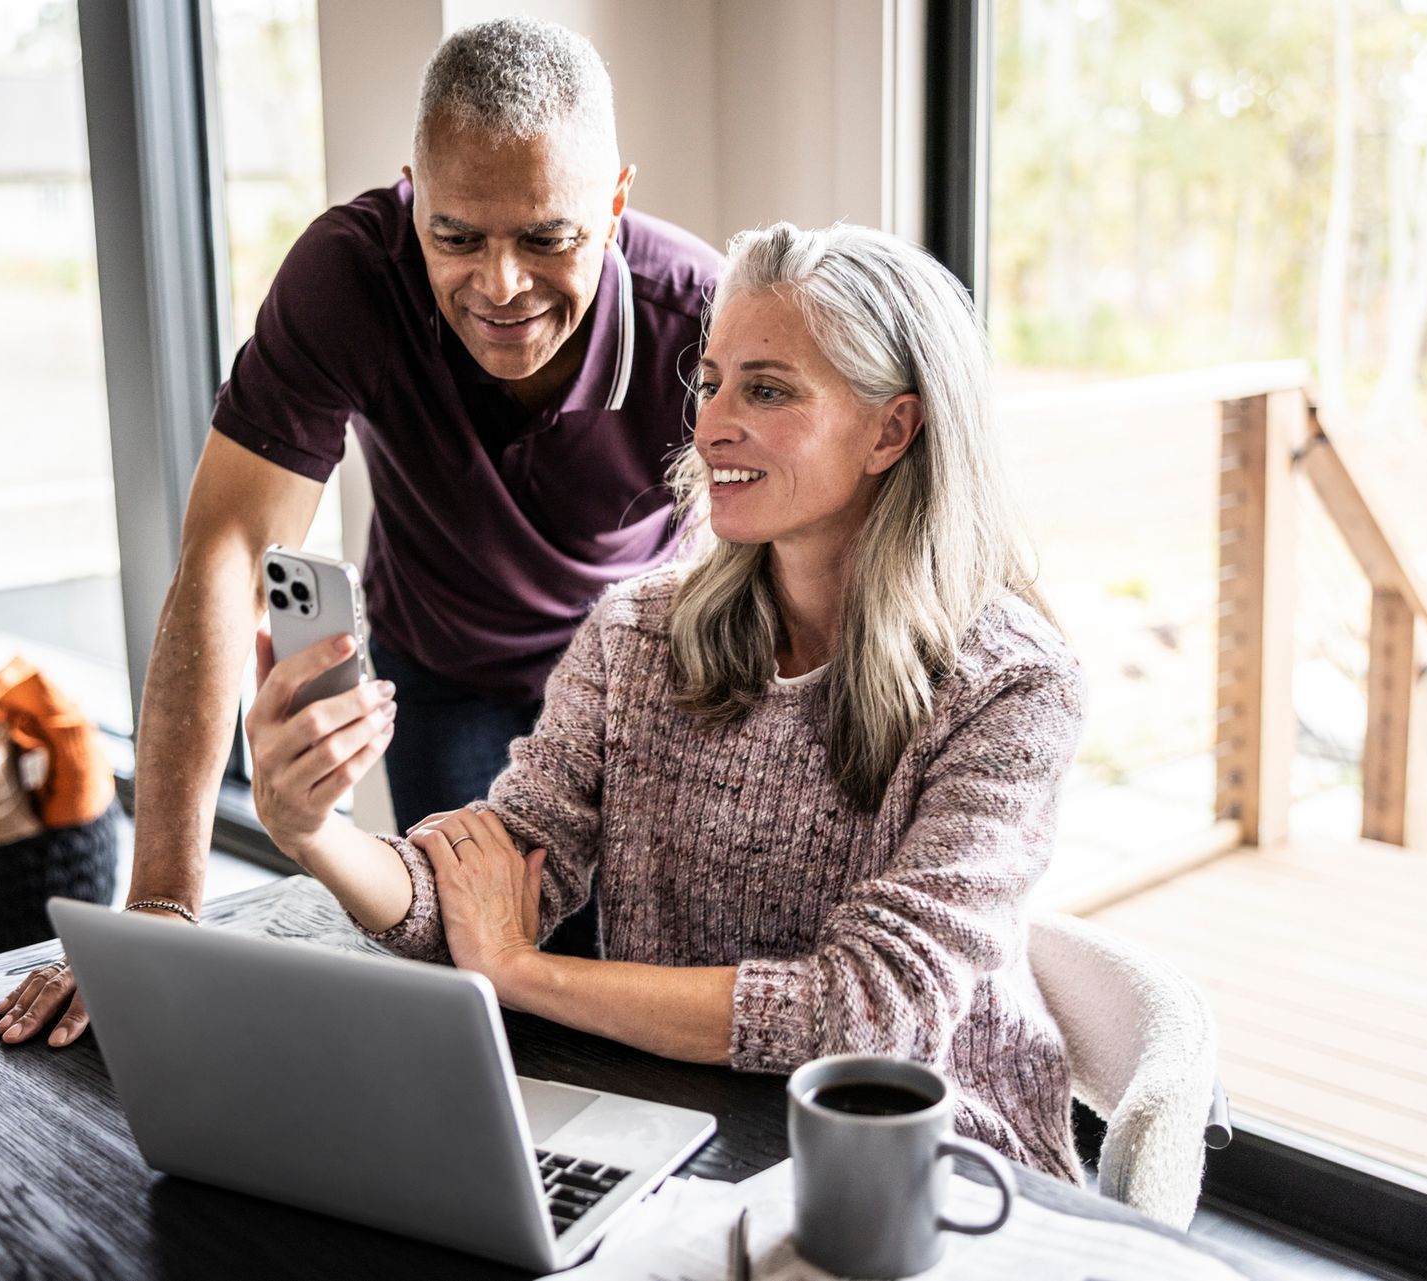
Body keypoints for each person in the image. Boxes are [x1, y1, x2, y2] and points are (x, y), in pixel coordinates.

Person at [245, 223, 1085, 1180]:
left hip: (929, 1166)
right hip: (673, 1132)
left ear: (891, 430)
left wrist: (523, 972)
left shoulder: (1014, 685)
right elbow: (496, 879)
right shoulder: (638, 632)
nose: (711, 422)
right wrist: (312, 831)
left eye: (766, 389)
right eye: (711, 380)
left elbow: (867, 1013)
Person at [0, 18, 720, 1048]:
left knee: (629, 983)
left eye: (547, 239)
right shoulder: (350, 274)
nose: (501, 286)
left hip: (639, 683)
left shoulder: (698, 318)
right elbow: (227, 552)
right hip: (450, 667)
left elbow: (787, 559)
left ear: (613, 204)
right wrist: (160, 909)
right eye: (457, 236)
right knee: (477, 992)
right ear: (412, 195)